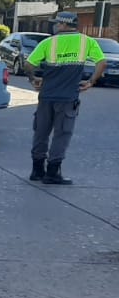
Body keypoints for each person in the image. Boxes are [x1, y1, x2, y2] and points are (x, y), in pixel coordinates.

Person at [24, 11, 106, 184]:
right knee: (62, 134)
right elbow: (102, 62)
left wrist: (33, 79)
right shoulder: (87, 42)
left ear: (63, 24)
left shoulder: (49, 42)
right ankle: (52, 172)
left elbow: (28, 64)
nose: (55, 26)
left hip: (46, 96)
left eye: (57, 23)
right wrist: (91, 81)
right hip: (67, 98)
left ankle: (37, 170)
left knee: (41, 132)